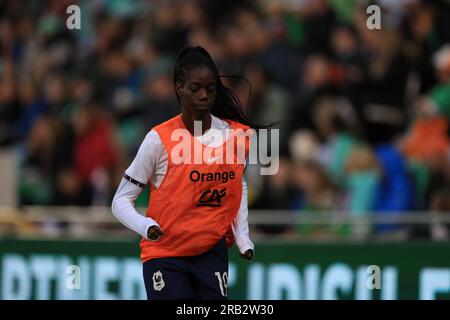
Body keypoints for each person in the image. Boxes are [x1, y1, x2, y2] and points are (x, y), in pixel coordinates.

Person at [111, 46, 258, 300]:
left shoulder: (236, 136)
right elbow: (120, 201)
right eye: (195, 88)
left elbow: (237, 186)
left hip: (211, 252)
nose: (204, 96)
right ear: (179, 88)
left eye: (210, 89)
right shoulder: (159, 139)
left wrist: (242, 235)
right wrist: (147, 226)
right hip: (165, 255)